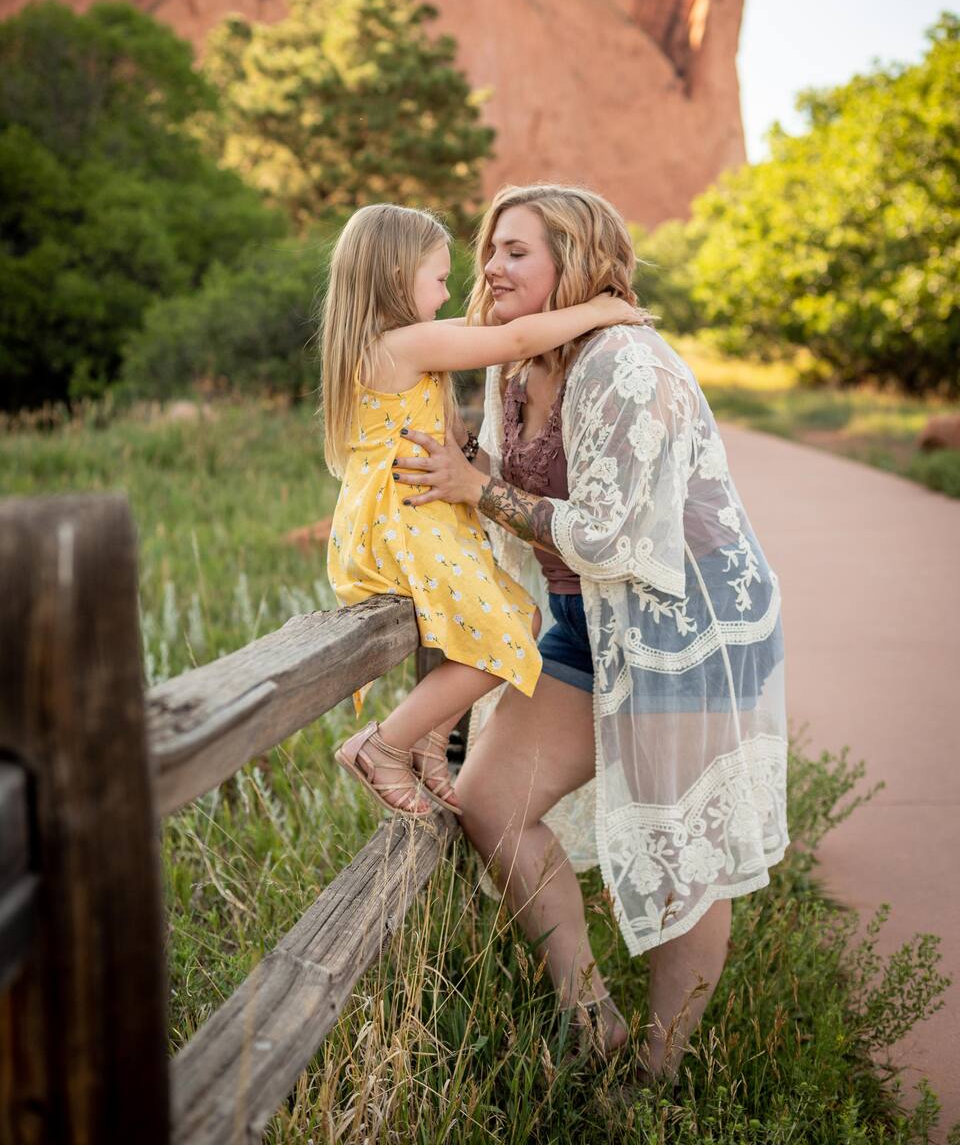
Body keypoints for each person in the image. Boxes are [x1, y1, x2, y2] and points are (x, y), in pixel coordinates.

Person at [391, 184, 789, 1075]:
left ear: (574, 261)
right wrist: (449, 468)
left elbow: (614, 535)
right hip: (584, 615)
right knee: (491, 800)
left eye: (516, 252)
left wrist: (477, 488)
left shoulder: (625, 365)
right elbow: (510, 484)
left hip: (684, 617)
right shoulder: (513, 363)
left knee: (681, 846)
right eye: (489, 249)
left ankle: (657, 1070)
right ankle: (590, 1015)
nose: (491, 266)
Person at [322, 202, 644, 818]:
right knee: (503, 639)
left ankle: (430, 740)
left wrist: (466, 450)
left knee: (518, 623)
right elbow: (514, 339)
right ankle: (382, 744)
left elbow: (446, 431)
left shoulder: (389, 347)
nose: (448, 294)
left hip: (417, 514)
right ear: (397, 276)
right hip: (408, 520)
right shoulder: (404, 341)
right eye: (439, 279)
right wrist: (604, 310)